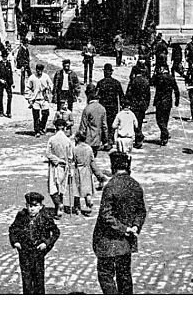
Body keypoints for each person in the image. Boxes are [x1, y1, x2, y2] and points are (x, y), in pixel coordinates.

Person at [92, 151, 147, 294]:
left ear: (112, 167)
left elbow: (106, 216)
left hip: (107, 242)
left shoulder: (111, 186)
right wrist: (135, 226)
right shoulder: (135, 185)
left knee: (106, 275)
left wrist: (123, 229)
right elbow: (141, 211)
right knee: (124, 275)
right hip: (126, 242)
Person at [10, 191, 61, 294]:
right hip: (24, 252)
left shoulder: (45, 217)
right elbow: (12, 229)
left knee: (38, 279)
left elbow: (56, 232)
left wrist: (46, 243)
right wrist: (15, 241)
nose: (31, 208)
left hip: (38, 253)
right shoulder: (21, 216)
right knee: (27, 279)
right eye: (29, 206)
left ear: (41, 206)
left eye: (35, 206)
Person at [72, 131, 109, 215]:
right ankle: (89, 203)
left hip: (78, 170)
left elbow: (73, 160)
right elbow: (92, 161)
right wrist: (98, 174)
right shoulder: (89, 148)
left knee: (76, 191)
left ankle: (77, 208)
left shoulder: (75, 148)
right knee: (87, 189)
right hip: (87, 170)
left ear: (77, 138)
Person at [46, 116, 74, 216]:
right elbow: (71, 156)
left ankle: (59, 205)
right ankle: (59, 209)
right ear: (65, 128)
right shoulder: (68, 140)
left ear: (55, 127)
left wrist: (56, 160)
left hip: (54, 166)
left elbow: (48, 154)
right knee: (61, 187)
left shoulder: (52, 139)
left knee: (52, 188)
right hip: (65, 167)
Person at [150, 61, 180, 146]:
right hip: (168, 102)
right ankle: (164, 138)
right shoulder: (171, 78)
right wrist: (177, 101)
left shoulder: (158, 77)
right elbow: (176, 90)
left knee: (159, 120)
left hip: (159, 101)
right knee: (165, 120)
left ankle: (164, 133)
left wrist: (155, 74)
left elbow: (151, 82)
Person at [96, 64, 124, 145]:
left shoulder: (100, 83)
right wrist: (122, 106)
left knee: (103, 123)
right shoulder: (116, 83)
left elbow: (96, 96)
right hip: (113, 107)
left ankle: (104, 139)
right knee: (112, 123)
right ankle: (111, 139)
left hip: (103, 106)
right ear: (111, 72)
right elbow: (121, 96)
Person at [77, 85, 109, 155]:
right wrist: (105, 140)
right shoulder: (102, 108)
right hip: (97, 139)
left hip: (88, 139)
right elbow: (104, 126)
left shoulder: (87, 109)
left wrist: (79, 139)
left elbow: (83, 126)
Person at [126, 66, 151, 149]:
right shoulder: (146, 81)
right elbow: (148, 95)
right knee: (139, 122)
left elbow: (129, 93)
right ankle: (138, 139)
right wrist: (147, 104)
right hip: (142, 105)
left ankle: (139, 137)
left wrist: (127, 102)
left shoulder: (133, 81)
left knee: (134, 123)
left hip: (134, 105)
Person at [26, 63, 52, 136]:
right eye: (38, 70)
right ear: (36, 70)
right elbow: (27, 88)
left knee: (46, 113)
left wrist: (47, 88)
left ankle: (42, 127)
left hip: (44, 99)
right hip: (36, 99)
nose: (39, 71)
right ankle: (37, 130)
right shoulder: (32, 78)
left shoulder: (46, 77)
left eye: (41, 70)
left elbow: (51, 85)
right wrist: (30, 98)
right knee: (36, 115)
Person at [0, 51, 14, 117]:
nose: (5, 58)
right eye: (4, 57)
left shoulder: (9, 64)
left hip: (8, 82)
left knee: (10, 96)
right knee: (1, 97)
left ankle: (8, 112)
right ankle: (1, 111)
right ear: (2, 57)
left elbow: (11, 74)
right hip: (0, 83)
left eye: (6, 57)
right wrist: (0, 79)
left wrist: (12, 83)